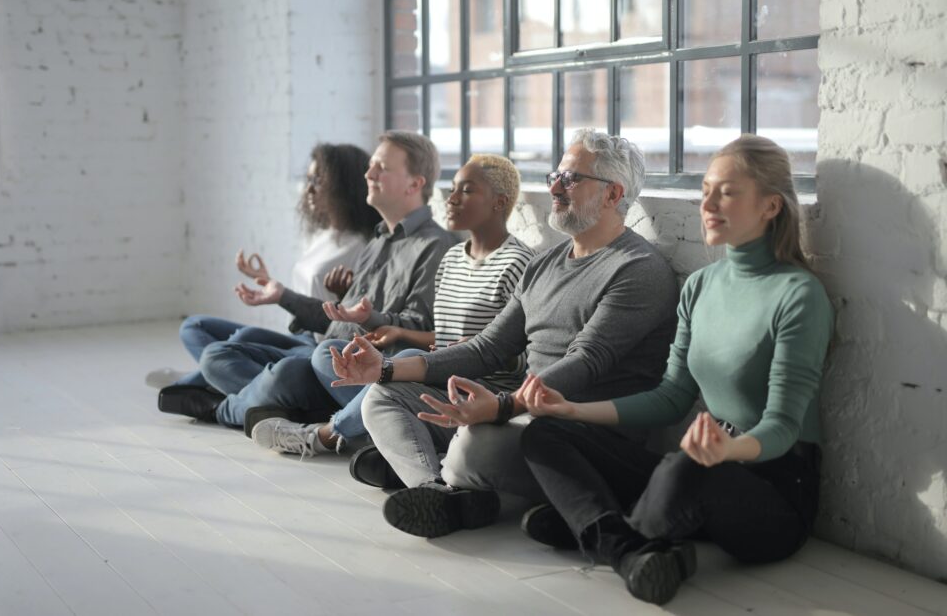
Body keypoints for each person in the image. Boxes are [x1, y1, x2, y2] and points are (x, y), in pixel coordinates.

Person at [516, 134, 834, 606]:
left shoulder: (799, 295)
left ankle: (605, 528)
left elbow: (785, 427)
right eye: (705, 189)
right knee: (545, 434)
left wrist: (729, 449)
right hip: (702, 461)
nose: (708, 203)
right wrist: (572, 412)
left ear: (770, 206)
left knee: (684, 471)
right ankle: (628, 548)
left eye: (727, 191)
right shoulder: (701, 285)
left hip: (774, 492)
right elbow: (670, 398)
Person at [330, 130, 679, 539]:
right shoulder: (545, 263)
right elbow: (488, 347)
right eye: (556, 175)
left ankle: (443, 476)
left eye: (570, 179)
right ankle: (438, 491)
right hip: (521, 411)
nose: (554, 186)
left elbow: (585, 362)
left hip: (576, 434)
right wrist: (386, 369)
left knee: (474, 445)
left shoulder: (638, 269)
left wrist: (500, 406)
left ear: (612, 194)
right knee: (381, 399)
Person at [157, 131, 457, 428]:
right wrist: (284, 295)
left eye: (382, 167)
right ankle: (284, 405)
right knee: (216, 355)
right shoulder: (378, 241)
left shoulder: (434, 247)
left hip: (355, 367)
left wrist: (370, 319)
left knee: (285, 372)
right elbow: (337, 321)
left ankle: (223, 409)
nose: (369, 173)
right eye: (371, 165)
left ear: (414, 184)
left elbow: (420, 330)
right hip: (324, 350)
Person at [252, 154, 535, 457]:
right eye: (452, 188)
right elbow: (442, 336)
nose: (451, 199)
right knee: (329, 353)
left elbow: (524, 353)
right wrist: (399, 333)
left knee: (400, 365)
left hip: (478, 389)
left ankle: (325, 435)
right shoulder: (452, 259)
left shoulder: (520, 264)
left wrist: (478, 352)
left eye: (466, 190)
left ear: (500, 202)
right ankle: (374, 431)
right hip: (440, 372)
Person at [145, 143, 378, 389]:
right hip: (301, 336)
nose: (309, 189)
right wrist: (270, 284)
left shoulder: (363, 247)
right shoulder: (322, 234)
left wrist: (291, 297)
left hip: (322, 348)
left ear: (343, 186)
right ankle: (218, 378)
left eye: (319, 181)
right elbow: (306, 298)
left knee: (241, 341)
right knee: (194, 326)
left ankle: (198, 381)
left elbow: (350, 321)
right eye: (308, 179)